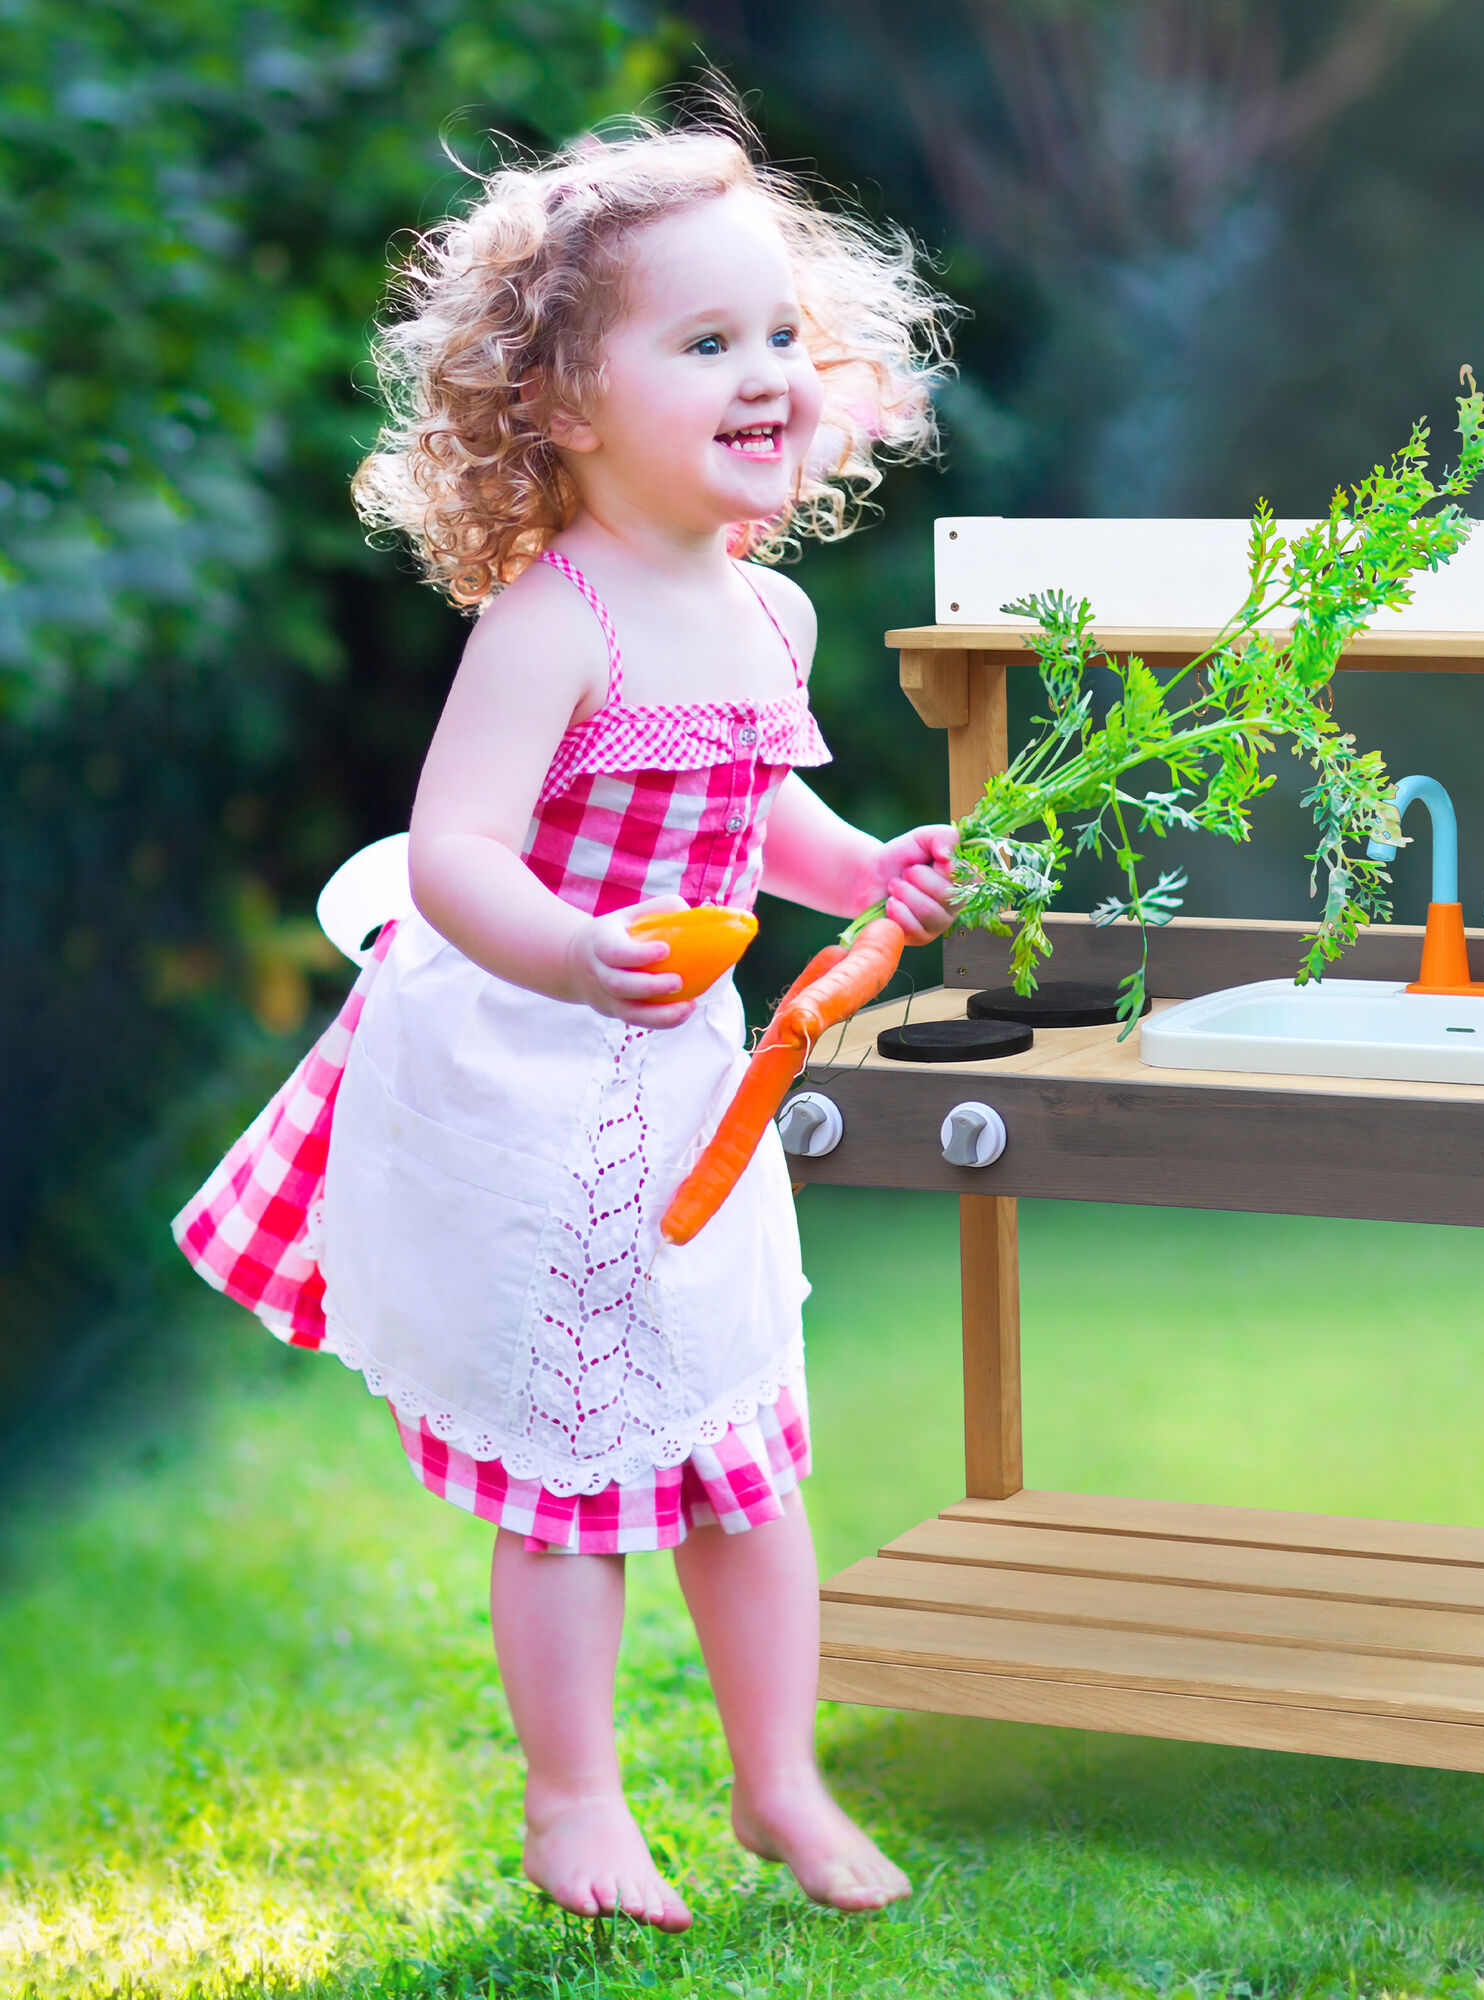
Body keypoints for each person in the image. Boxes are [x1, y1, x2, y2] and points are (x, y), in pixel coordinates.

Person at [172, 117, 959, 1930]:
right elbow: (453, 848)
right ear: (563, 407)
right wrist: (571, 953)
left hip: (688, 1092)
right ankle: (575, 1802)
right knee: (576, 1472)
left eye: (778, 334)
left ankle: (779, 1788)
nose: (765, 372)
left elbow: (764, 824)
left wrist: (870, 870)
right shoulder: (556, 621)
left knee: (747, 1447)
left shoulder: (763, 611)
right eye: (704, 344)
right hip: (536, 1082)